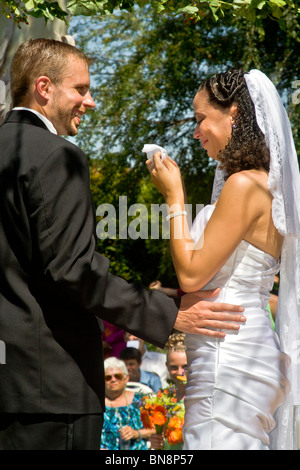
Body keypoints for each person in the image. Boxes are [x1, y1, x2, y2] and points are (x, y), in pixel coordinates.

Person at [0, 38, 247, 450]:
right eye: (80, 89)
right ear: (44, 87)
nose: (90, 101)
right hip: (49, 389)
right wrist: (169, 313)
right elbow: (74, 269)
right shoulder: (57, 156)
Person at [147, 69, 300, 450]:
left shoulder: (245, 184)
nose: (196, 132)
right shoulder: (267, 186)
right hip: (242, 348)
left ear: (233, 113)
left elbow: (192, 274)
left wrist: (174, 199)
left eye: (200, 119)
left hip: (227, 357)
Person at [100, 357, 152, 450]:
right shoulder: (97, 404)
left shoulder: (140, 400)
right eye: (108, 377)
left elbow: (156, 430)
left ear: (126, 378)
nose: (113, 379)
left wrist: (136, 433)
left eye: (118, 376)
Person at [150, 333, 187, 450]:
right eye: (174, 367)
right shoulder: (164, 398)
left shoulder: (203, 395)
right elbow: (161, 434)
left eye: (185, 367)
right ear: (166, 366)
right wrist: (156, 441)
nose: (180, 372)